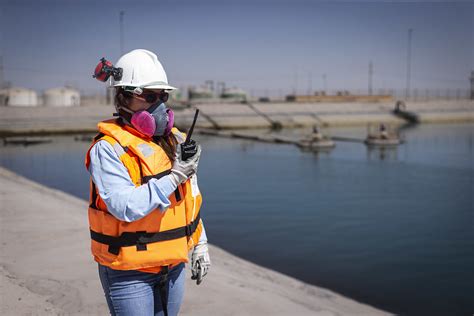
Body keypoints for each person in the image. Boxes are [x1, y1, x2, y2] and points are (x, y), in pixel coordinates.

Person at [86, 49, 210, 316]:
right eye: (150, 97)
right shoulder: (108, 149)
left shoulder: (175, 141)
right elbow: (124, 206)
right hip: (129, 273)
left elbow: (190, 199)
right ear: (124, 96)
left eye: (163, 97)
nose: (160, 106)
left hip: (173, 266)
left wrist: (200, 245)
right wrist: (175, 175)